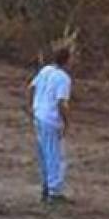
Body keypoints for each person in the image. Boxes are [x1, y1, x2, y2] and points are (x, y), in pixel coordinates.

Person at [27, 46, 73, 204]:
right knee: (55, 155)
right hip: (51, 119)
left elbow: (32, 88)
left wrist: (33, 107)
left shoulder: (46, 70)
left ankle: (46, 186)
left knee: (44, 153)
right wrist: (66, 122)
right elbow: (61, 102)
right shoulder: (63, 78)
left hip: (39, 115)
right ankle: (54, 191)